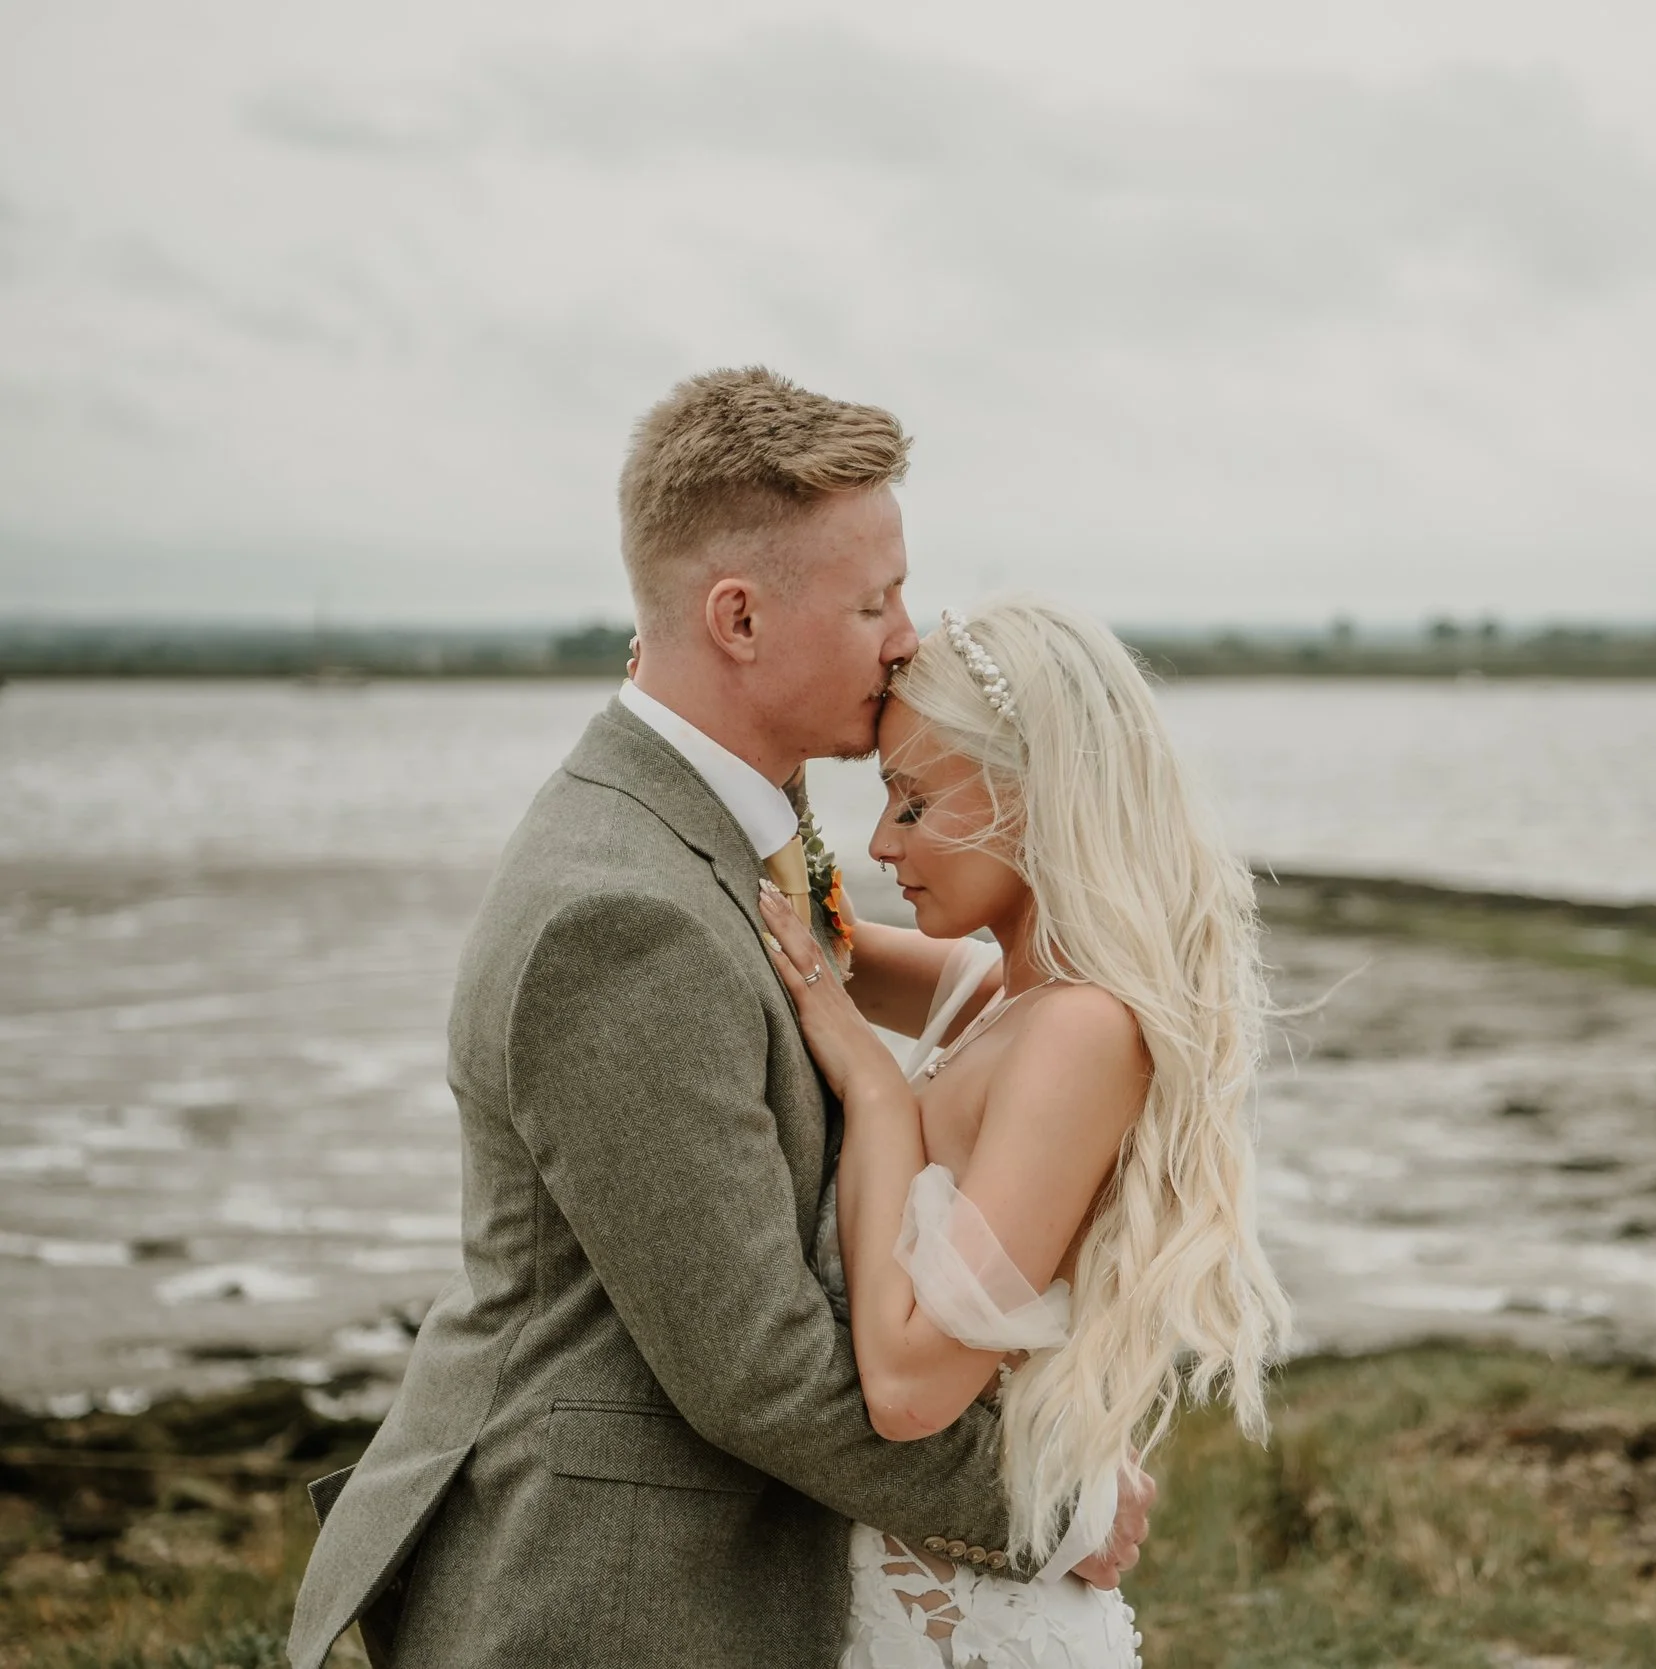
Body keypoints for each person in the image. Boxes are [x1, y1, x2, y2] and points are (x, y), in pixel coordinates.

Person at [288, 369, 1151, 1669]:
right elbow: (763, 1373)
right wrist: (1057, 1500)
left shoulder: (717, 827)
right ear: (738, 619)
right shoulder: (623, 916)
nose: (907, 637)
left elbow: (966, 996)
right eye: (875, 602)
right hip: (617, 1600)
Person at [753, 598, 1290, 1668]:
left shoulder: (1083, 1033)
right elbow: (805, 942)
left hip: (959, 1626)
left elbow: (911, 1387)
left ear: (1038, 794)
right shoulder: (990, 992)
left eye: (912, 802)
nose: (880, 841)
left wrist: (876, 1092)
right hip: (891, 1589)